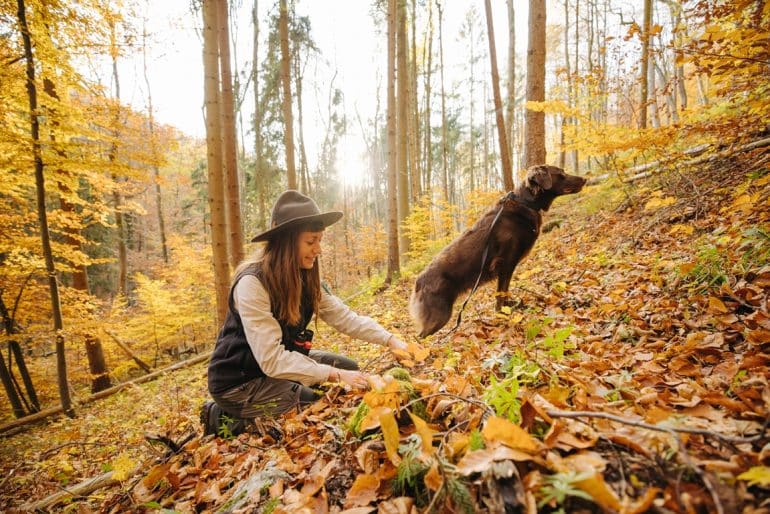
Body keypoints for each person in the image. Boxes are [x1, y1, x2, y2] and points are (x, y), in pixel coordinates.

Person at [201, 190, 408, 437]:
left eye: (319, 240)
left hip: (276, 364)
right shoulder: (252, 284)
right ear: (286, 243)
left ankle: (288, 392)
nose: (318, 249)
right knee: (314, 404)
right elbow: (271, 359)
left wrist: (390, 340)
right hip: (240, 381)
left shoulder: (307, 278)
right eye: (311, 242)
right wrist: (336, 375)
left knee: (349, 366)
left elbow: (345, 317)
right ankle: (221, 416)